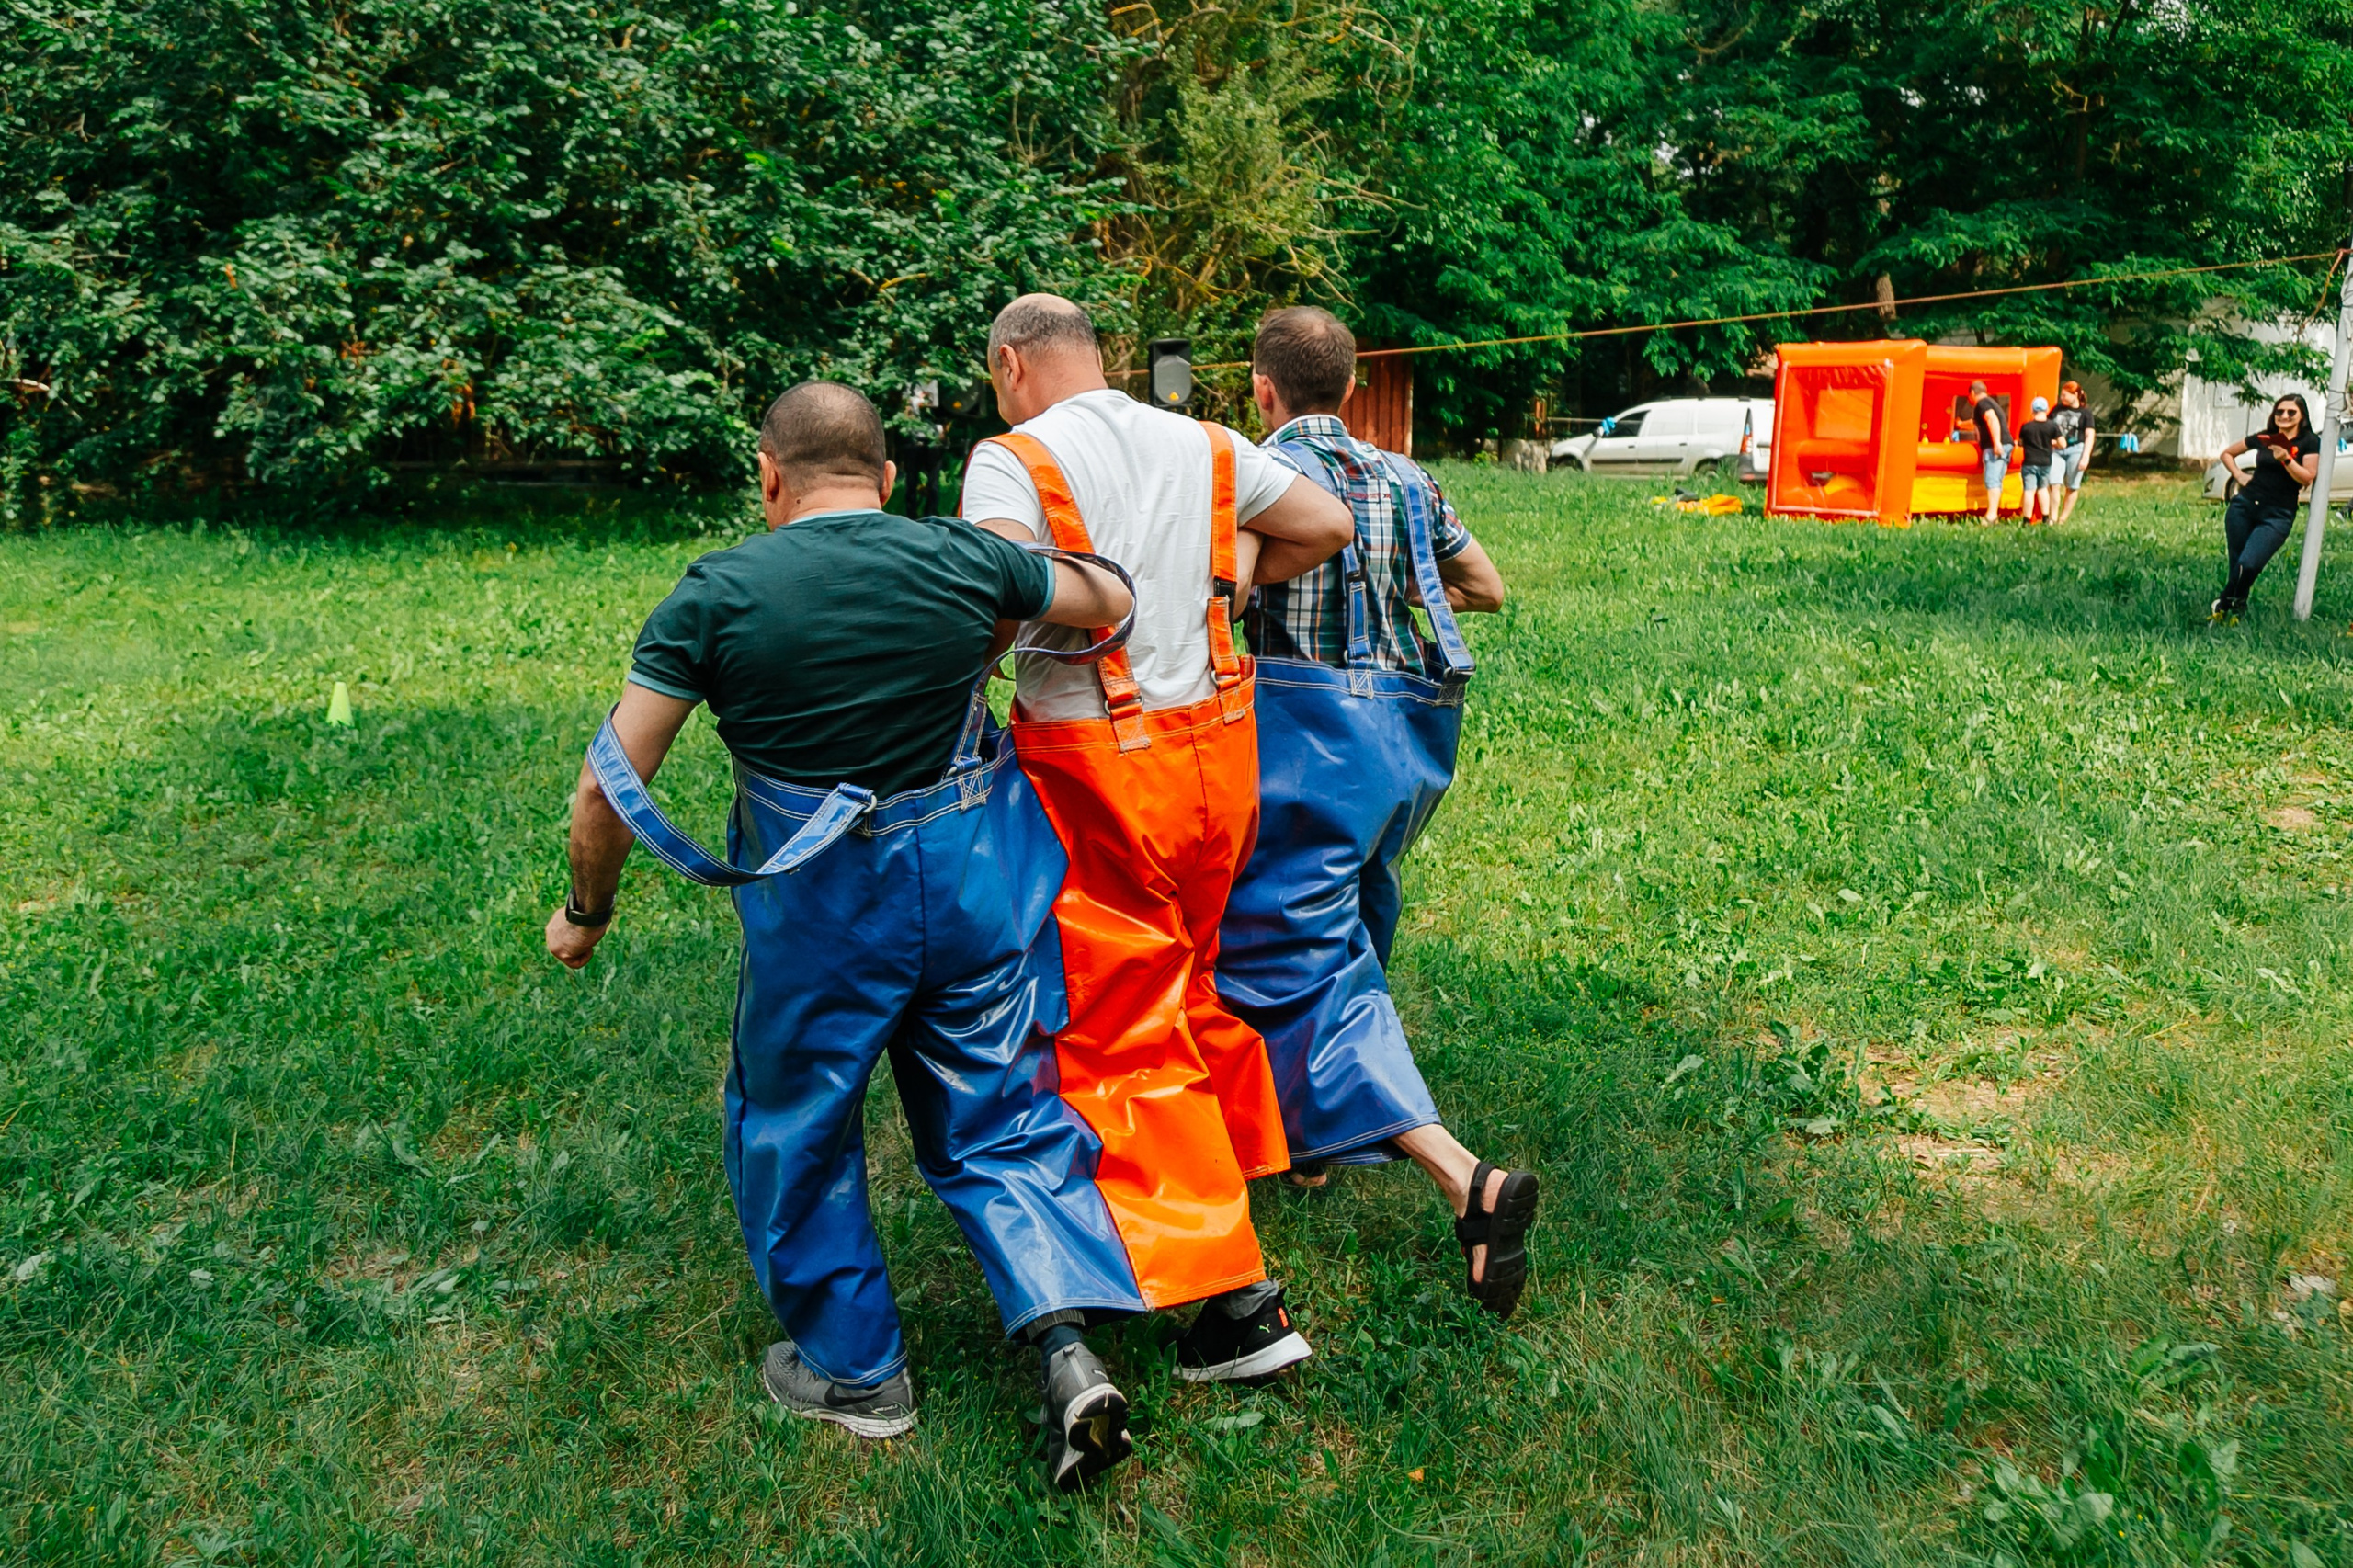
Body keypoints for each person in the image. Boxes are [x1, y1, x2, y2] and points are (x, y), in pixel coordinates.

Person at [546, 381, 1159, 1493]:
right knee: (1004, 1111)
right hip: (975, 884)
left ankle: (856, 1370)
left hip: (821, 909)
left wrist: (586, 913)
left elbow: (607, 786)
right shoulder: (964, 556)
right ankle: (1066, 1345)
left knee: (799, 1121)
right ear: (884, 478)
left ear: (768, 478)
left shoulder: (718, 592)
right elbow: (1108, 597)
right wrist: (999, 614)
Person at [961, 293, 1354, 1383]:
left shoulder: (1010, 460)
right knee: (1191, 971)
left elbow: (996, 590)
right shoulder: (1206, 441)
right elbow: (1326, 524)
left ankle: (1237, 1304)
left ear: (1011, 365)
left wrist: (981, 664)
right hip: (1218, 753)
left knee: (1117, 1018)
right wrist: (1228, 578)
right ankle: (1241, 1158)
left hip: (1095, 764)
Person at [1216, 307, 1541, 1318]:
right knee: (1361, 906)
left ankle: (1462, 1177)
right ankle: (1312, 1144)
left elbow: (1229, 601)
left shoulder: (1259, 475)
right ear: (1352, 387)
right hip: (1402, 746)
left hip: (1303, 746)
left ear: (1262, 389)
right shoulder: (1408, 478)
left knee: (1293, 950)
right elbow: (1484, 587)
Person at [2211, 393, 2321, 623]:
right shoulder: (2266, 437)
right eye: (2280, 411)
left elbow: (2307, 477)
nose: (2284, 416)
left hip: (2278, 514)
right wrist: (2239, 475)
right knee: (2237, 564)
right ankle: (2237, 609)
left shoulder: (2309, 441)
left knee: (2249, 564)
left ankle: (2223, 603)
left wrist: (2286, 459)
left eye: (2291, 412)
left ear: (2302, 416)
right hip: (2244, 506)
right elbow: (2227, 454)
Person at [2052, 381, 2097, 524]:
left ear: (2075, 395)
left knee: (2072, 486)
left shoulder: (2085, 413)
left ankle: (2062, 519)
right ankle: (2052, 518)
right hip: (2056, 450)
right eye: (2061, 395)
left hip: (2076, 450)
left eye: (2065, 395)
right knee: (2054, 483)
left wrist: (2086, 456)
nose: (2062, 398)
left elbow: (2090, 435)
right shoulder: (2056, 410)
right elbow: (2047, 427)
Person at [2016, 395, 2062, 523]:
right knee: (2043, 489)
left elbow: (2021, 443)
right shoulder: (2052, 426)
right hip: (2045, 462)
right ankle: (2045, 517)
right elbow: (2063, 443)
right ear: (2046, 409)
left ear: (2033, 410)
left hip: (2029, 462)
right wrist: (2052, 443)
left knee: (2029, 491)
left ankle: (2027, 519)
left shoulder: (2026, 426)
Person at [1971, 380, 2010, 524]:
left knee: (1992, 480)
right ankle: (1994, 513)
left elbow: (1991, 419)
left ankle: (1991, 516)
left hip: (1996, 446)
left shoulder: (1983, 404)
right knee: (1996, 480)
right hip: (2006, 444)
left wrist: (1996, 443)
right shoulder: (1992, 402)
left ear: (1972, 393)